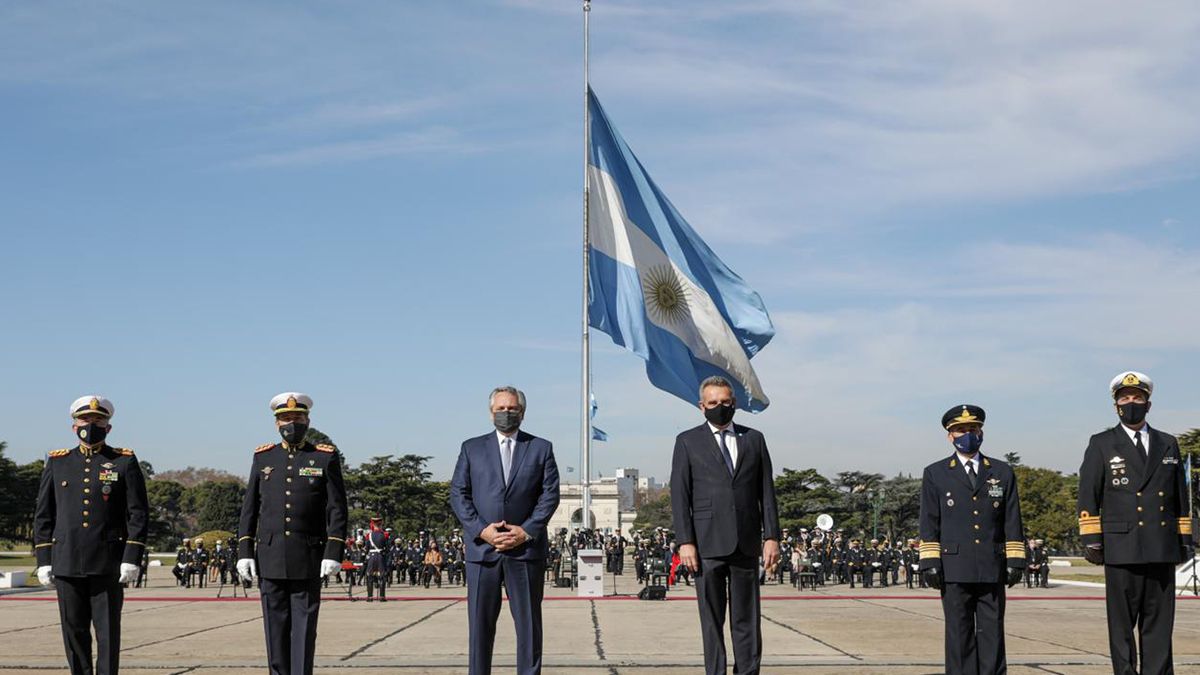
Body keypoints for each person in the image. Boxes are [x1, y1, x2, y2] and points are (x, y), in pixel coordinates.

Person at [1077, 372, 1192, 675]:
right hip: (1121, 546)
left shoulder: (1168, 443)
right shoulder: (1102, 443)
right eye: (1125, 398)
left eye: (1137, 398)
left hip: (1161, 545)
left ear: (1148, 404)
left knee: (1159, 625)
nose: (1131, 403)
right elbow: (1088, 493)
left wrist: (1184, 538)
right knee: (1122, 627)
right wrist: (1092, 539)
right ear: (1116, 405)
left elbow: (1180, 494)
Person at [671, 375, 781, 675]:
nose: (721, 407)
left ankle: (747, 671)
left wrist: (772, 536)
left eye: (726, 402)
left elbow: (766, 492)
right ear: (701, 406)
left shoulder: (754, 439)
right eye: (714, 403)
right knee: (712, 619)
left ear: (735, 403)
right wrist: (685, 541)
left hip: (745, 542)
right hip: (705, 545)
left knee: (747, 619)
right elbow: (680, 496)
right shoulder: (687, 441)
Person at [33, 395, 149, 675]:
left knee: (108, 634)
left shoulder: (123, 461)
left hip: (107, 562)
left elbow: (138, 513)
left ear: (108, 427)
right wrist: (44, 559)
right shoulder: (58, 462)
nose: (91, 425)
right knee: (74, 634)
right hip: (67, 561)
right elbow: (44, 515)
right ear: (74, 426)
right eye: (85, 420)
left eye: (98, 420)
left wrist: (131, 557)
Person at [450, 385, 560, 675]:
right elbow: (458, 494)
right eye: (501, 409)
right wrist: (481, 530)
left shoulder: (541, 448)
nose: (506, 413)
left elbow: (549, 496)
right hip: (482, 550)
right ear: (491, 413)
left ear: (522, 413)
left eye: (512, 409)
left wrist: (525, 531)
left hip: (524, 551)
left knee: (528, 628)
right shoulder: (471, 448)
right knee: (480, 627)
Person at [237, 392, 347, 675]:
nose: (291, 423)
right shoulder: (263, 457)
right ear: (276, 424)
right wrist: (244, 551)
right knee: (274, 629)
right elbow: (250, 507)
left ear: (307, 420)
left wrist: (333, 551)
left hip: (308, 555)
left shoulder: (323, 457)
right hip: (270, 555)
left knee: (304, 630)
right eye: (286, 418)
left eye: (297, 418)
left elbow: (337, 508)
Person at [919, 405, 1025, 675]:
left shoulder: (1001, 471)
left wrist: (1015, 557)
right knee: (958, 632)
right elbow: (929, 520)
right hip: (954, 566)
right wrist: (930, 560)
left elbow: (1012, 518)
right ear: (949, 435)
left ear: (981, 432)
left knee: (992, 632)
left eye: (973, 429)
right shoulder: (936, 473)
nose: (968, 434)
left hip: (992, 564)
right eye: (961, 430)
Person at [364, 517, 389, 602]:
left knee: (369, 575)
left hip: (371, 556)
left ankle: (370, 597)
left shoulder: (369, 535)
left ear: (373, 525)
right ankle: (382, 597)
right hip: (380, 556)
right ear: (380, 524)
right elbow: (387, 548)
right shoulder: (384, 535)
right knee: (382, 576)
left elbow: (367, 548)